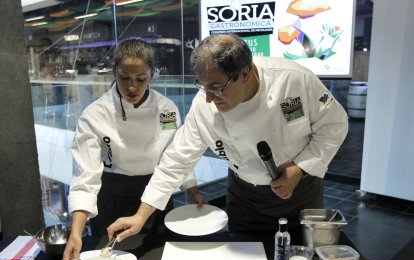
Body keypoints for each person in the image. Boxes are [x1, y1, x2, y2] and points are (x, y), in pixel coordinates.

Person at [106, 33, 349, 241]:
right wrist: (141, 215)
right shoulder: (204, 105)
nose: (210, 98)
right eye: (203, 86)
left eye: (217, 87)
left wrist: (300, 168)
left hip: (300, 194)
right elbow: (176, 160)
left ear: (244, 74)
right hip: (245, 200)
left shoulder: (294, 80)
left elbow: (334, 125)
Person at [61, 37, 204, 260]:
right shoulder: (94, 114)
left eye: (141, 79)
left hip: (156, 193)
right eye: (124, 78)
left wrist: (193, 190)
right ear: (114, 71)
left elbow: (174, 156)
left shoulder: (166, 109)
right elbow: (84, 176)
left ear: (153, 73)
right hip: (112, 196)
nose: (132, 87)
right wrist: (75, 232)